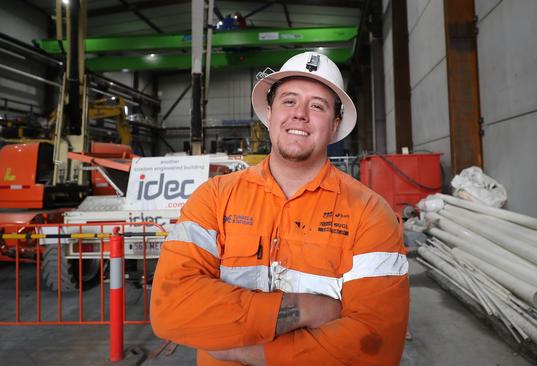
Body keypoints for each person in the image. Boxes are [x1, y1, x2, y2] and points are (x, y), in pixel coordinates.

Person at [150, 52, 409, 365]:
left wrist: (246, 352)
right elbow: (170, 309)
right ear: (269, 112)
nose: (300, 114)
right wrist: (308, 309)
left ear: (334, 125)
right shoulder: (214, 198)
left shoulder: (370, 213)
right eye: (289, 100)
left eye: (317, 105)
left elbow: (377, 346)